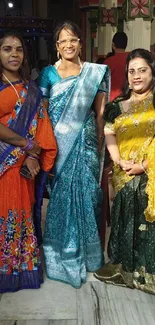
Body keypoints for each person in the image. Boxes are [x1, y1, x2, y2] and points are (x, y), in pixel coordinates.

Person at [38, 21, 110, 288]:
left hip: (87, 141)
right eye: (63, 41)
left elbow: (100, 113)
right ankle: (63, 254)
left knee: (89, 193)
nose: (69, 45)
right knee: (62, 196)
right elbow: (43, 113)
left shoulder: (93, 73)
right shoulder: (48, 73)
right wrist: (46, 145)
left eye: (73, 40)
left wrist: (101, 141)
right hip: (59, 143)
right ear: (57, 46)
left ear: (81, 43)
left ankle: (90, 256)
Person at [94, 48, 155, 295]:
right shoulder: (117, 105)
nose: (136, 76)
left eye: (142, 70)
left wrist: (143, 166)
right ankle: (125, 267)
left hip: (149, 171)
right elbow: (109, 132)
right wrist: (118, 160)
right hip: (122, 172)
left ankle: (145, 272)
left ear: (152, 72)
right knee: (124, 216)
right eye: (132, 71)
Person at [0, 31, 57, 292]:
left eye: (18, 49)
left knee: (20, 213)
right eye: (7, 48)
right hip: (4, 161)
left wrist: (33, 155)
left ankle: (18, 269)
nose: (14, 54)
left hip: (22, 166)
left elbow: (42, 125)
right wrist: (25, 145)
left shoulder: (31, 90)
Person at [104, 32, 128, 101]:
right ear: (126, 45)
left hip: (112, 99)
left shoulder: (108, 61)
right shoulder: (131, 59)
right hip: (128, 97)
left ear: (113, 45)